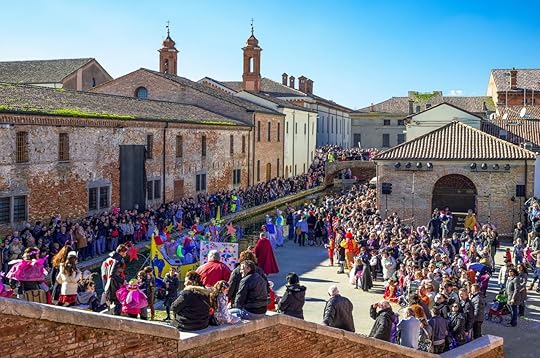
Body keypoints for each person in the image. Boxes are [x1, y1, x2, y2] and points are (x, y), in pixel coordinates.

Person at [100, 244, 128, 315]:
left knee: (112, 301)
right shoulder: (118, 261)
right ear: (121, 252)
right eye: (125, 252)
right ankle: (116, 317)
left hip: (108, 283)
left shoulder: (108, 259)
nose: (125, 254)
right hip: (114, 284)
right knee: (118, 301)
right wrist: (122, 281)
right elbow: (113, 274)